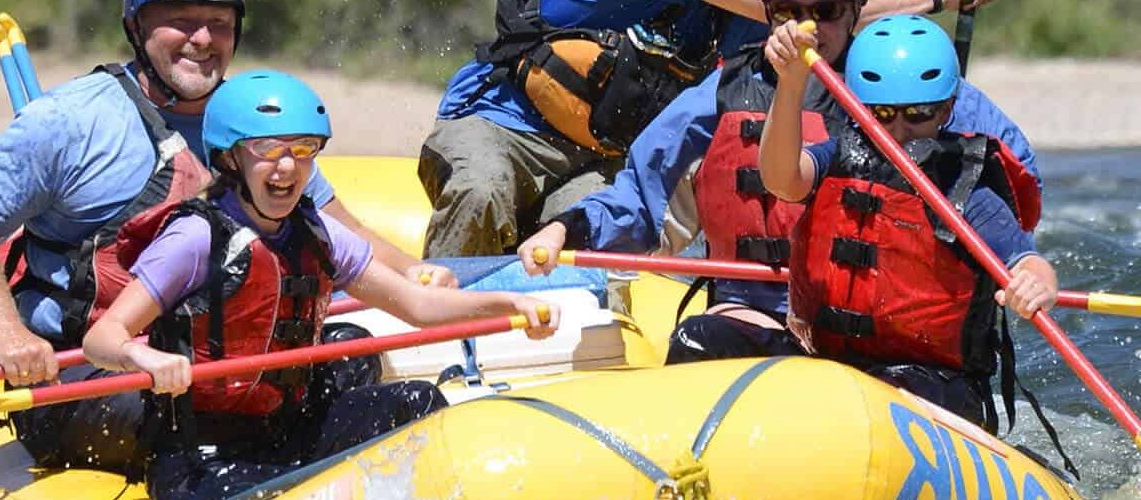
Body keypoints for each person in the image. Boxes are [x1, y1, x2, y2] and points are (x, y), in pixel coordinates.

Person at [0, 0, 452, 472]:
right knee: (175, 410)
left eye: (219, 22)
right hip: (97, 371)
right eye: (181, 19)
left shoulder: (259, 126)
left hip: (221, 361)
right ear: (136, 25)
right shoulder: (69, 122)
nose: (202, 38)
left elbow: (343, 230)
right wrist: (9, 335)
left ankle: (284, 463)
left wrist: (414, 272)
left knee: (351, 353)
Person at [79, 70, 560, 500]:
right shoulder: (196, 238)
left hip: (291, 425)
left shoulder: (319, 234)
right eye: (267, 150)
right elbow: (102, 339)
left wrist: (510, 304)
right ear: (229, 159)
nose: (288, 167)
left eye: (303, 148)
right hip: (201, 448)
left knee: (419, 401)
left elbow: (418, 306)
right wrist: (145, 357)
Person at [518, 1, 1036, 375]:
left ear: (855, 13)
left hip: (880, 337)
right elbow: (637, 195)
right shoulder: (724, 90)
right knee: (699, 340)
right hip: (753, 315)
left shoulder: (919, 95)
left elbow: (1011, 186)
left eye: (825, 9)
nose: (807, 27)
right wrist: (568, 227)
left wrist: (1014, 266)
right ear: (767, 15)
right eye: (788, 12)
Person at [755, 15, 1055, 428]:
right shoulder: (840, 155)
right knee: (702, 339)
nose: (900, 131)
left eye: (918, 113)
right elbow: (781, 180)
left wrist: (1035, 284)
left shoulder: (965, 186)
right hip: (833, 364)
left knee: (880, 388)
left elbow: (1027, 261)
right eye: (881, 114)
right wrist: (790, 83)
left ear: (948, 108)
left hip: (936, 382)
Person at [418, 0, 724, 258]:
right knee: (480, 192)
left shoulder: (732, 14)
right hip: (498, 122)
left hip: (598, 159)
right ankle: (441, 317)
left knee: (597, 241)